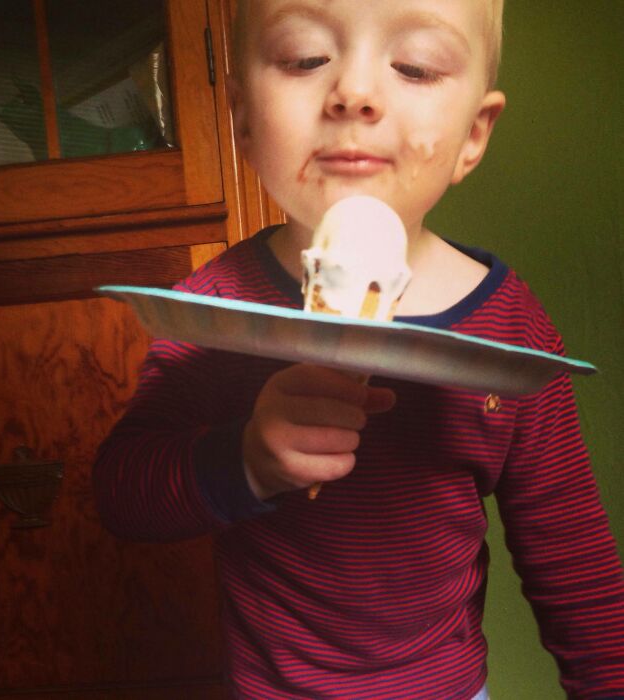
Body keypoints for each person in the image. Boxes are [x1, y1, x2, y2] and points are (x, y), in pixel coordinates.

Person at [94, 1, 624, 697]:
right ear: (243, 118)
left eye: (416, 66)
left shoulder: (511, 329)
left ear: (474, 134)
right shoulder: (214, 313)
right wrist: (245, 459)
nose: (355, 94)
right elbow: (123, 493)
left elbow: (573, 560)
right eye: (304, 59)